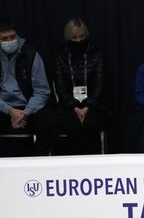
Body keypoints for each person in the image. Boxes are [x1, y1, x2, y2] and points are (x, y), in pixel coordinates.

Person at [54, 18, 108, 154]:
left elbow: (99, 84)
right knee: (73, 126)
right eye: (74, 37)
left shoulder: (96, 54)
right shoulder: (61, 56)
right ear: (68, 37)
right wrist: (74, 106)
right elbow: (60, 86)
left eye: (82, 36)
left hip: (94, 105)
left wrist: (87, 105)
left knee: (91, 125)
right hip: (69, 106)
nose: (78, 41)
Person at [0, 18, 52, 156]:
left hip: (28, 106)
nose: (9, 41)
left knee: (50, 121)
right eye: (5, 39)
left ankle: (36, 165)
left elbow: (42, 91)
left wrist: (25, 113)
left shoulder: (31, 54)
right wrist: (10, 111)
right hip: (3, 107)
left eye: (12, 37)